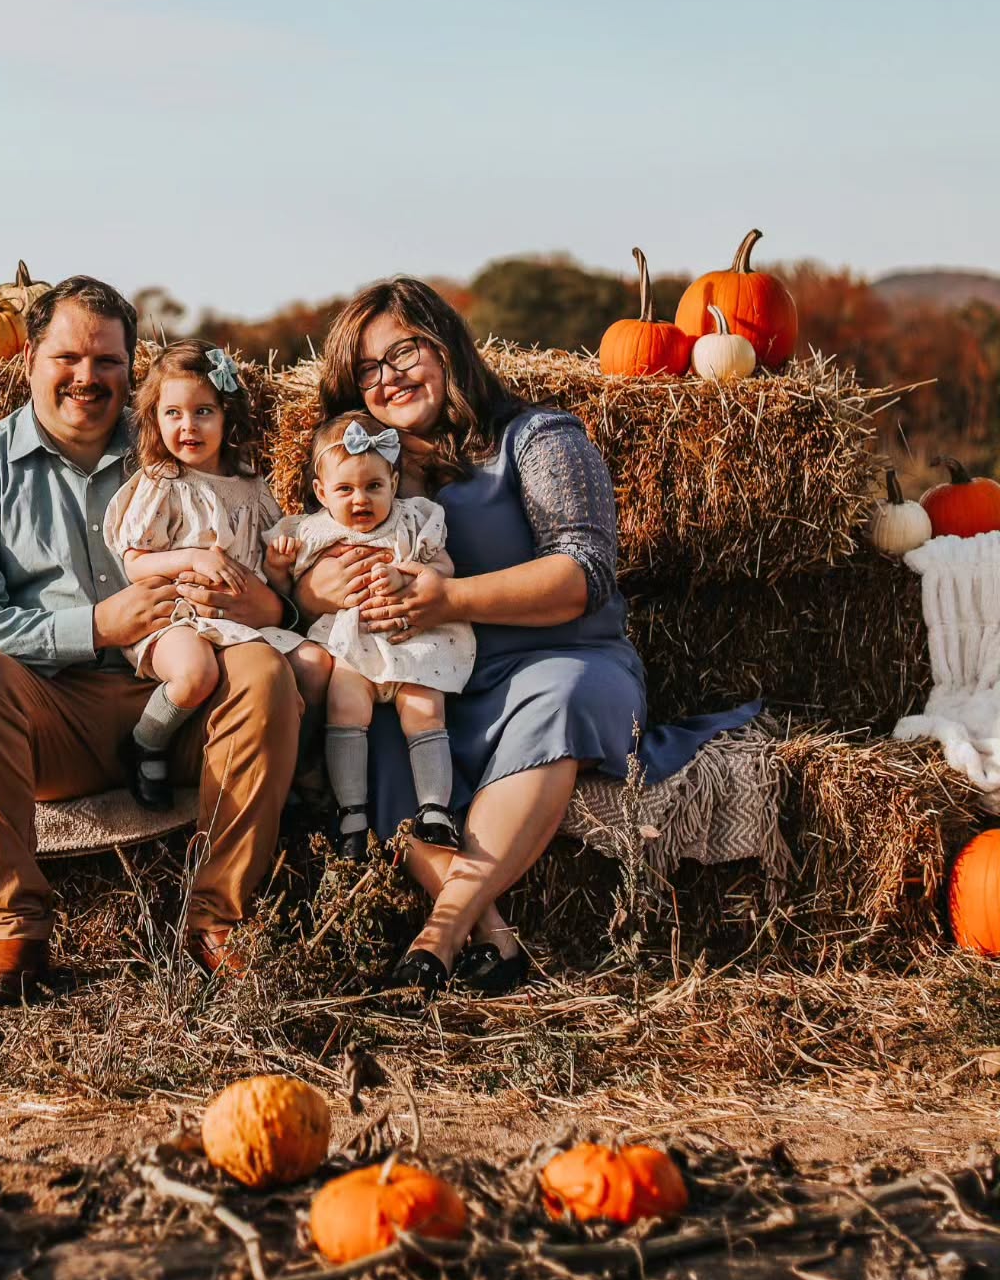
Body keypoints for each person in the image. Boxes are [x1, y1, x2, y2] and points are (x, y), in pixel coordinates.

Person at [300, 276, 758, 999]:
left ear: (446, 344)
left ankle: (440, 934)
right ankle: (496, 940)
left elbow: (585, 570)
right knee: (381, 743)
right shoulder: (362, 473)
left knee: (560, 700)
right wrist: (317, 589)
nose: (388, 379)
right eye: (367, 370)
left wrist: (447, 597)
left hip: (558, 658)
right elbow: (307, 565)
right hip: (435, 679)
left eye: (403, 353)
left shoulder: (536, 437)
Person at [0, 277, 302, 1005]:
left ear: (134, 367)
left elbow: (275, 553)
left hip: (188, 697)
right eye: (68, 357)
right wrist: (92, 626)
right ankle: (15, 933)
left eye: (109, 362)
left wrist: (269, 601)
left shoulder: (181, 439)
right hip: (54, 714)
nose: (87, 378)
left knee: (261, 672)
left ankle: (219, 920)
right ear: (29, 359)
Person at [102, 340, 330, 810]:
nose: (188, 426)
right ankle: (146, 742)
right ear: (154, 418)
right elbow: (135, 561)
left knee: (315, 664)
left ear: (228, 416)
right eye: (173, 414)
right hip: (175, 619)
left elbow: (269, 580)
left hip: (242, 622)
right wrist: (193, 558)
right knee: (195, 673)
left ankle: (299, 763)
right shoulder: (162, 481)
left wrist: (279, 567)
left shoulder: (252, 487)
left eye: (203, 411)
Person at [264, 411, 473, 859]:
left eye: (373, 487)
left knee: (424, 709)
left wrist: (412, 577)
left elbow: (444, 568)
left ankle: (435, 809)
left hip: (409, 641)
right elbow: (284, 601)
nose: (360, 499)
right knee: (344, 707)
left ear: (393, 485)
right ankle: (351, 813)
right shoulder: (311, 531)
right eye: (345, 489)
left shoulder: (414, 520)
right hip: (349, 648)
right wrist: (279, 569)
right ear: (321, 492)